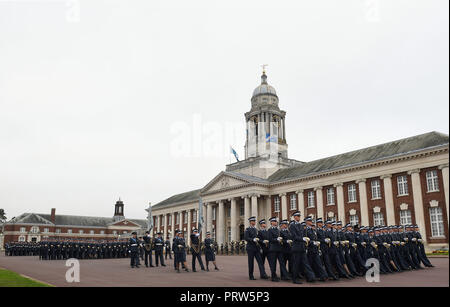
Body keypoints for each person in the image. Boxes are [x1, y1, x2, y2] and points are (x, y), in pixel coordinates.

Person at [244, 216, 269, 280]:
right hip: (250, 248)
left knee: (260, 262)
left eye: (254, 221)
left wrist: (262, 241)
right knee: (251, 262)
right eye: (253, 221)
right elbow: (246, 238)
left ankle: (263, 274)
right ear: (250, 222)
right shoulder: (247, 229)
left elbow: (259, 239)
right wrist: (253, 239)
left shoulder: (256, 230)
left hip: (257, 248)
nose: (254, 222)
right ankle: (251, 275)